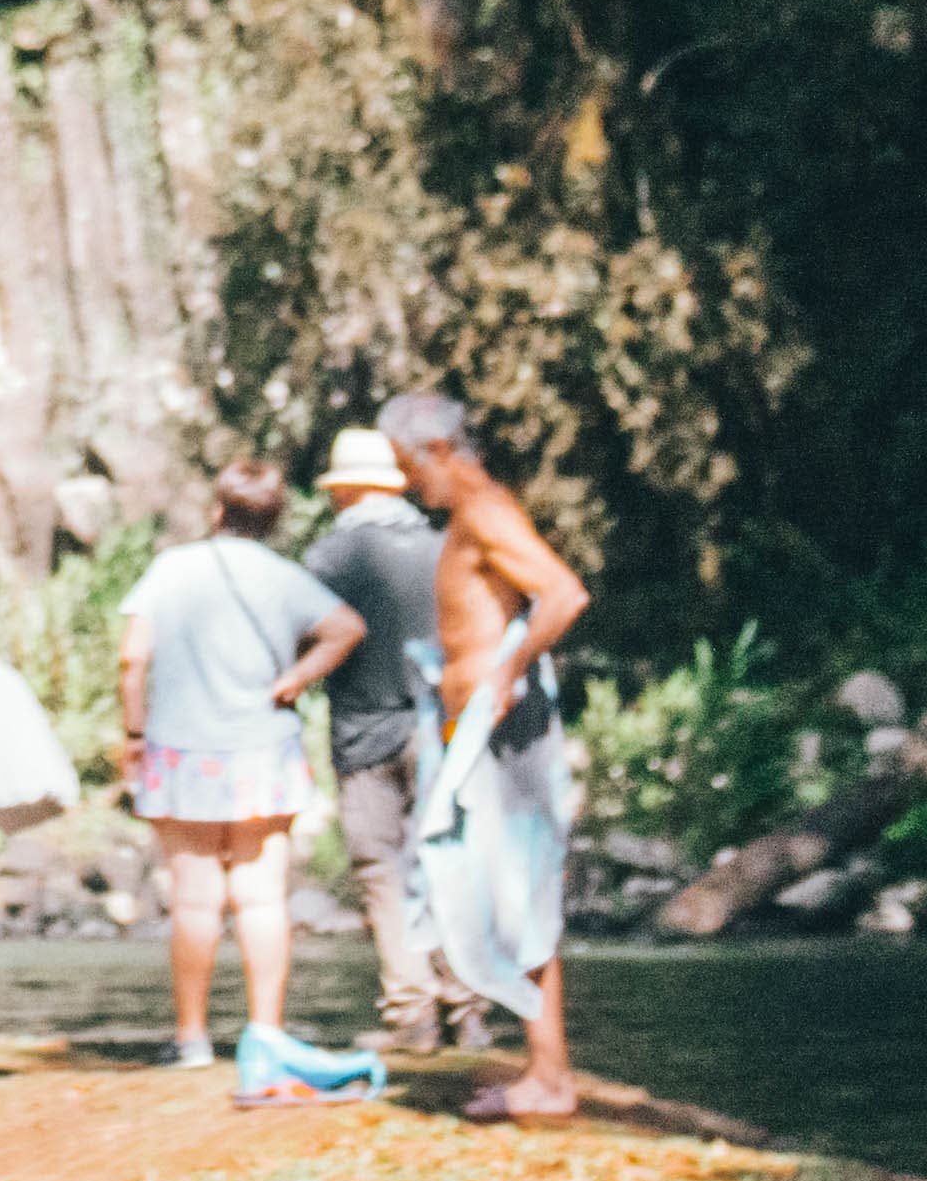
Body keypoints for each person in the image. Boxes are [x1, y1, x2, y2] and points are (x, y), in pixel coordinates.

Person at [394, 390, 605, 1123]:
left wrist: (510, 671)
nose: (410, 484)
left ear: (441, 452)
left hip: (506, 734)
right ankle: (542, 1068)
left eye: (409, 467)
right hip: (477, 737)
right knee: (489, 892)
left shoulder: (485, 512)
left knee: (523, 894)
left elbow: (563, 595)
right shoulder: (470, 516)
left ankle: (551, 1077)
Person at [115, 458, 365, 1071]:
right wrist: (295, 679)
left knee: (195, 902)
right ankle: (266, 1034)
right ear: (275, 519)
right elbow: (347, 627)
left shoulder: (171, 568)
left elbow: (132, 659)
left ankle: (193, 1038)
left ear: (217, 510)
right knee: (262, 899)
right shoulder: (285, 576)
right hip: (262, 751)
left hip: (180, 751)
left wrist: (133, 733)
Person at [299, 424, 456, 1045]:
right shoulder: (441, 546)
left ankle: (411, 1011)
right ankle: (465, 1007)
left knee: (381, 869)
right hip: (441, 726)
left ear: (346, 491)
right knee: (444, 861)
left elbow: (306, 637)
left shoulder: (330, 557)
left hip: (364, 732)